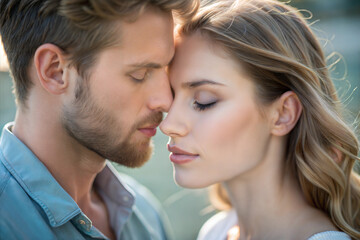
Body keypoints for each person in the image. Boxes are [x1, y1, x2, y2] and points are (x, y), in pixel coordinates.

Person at [160, 0, 360, 239]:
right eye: (172, 96)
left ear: (283, 114)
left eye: (204, 101)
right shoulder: (214, 232)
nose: (168, 125)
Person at [0, 0, 198, 239]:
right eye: (140, 74)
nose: (166, 101)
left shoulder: (145, 215)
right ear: (55, 70)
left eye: (165, 70)